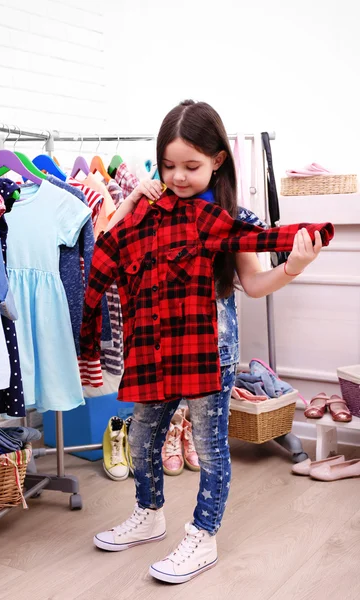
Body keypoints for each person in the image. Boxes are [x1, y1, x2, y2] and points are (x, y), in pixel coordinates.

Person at [81, 100, 329, 584]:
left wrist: (294, 264)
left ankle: (203, 534)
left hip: (209, 350)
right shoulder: (152, 209)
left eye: (191, 166)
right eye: (168, 165)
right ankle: (149, 514)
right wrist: (132, 203)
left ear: (218, 160)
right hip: (155, 348)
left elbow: (254, 285)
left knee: (212, 447)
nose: (177, 176)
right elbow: (106, 252)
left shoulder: (230, 216)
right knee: (143, 434)